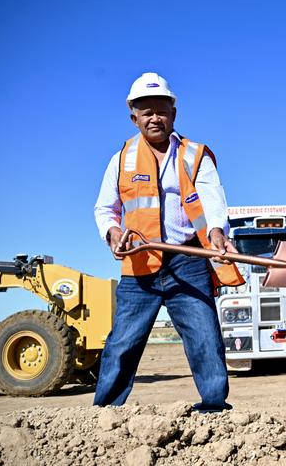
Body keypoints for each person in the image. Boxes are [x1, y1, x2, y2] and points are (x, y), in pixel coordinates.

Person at [93, 72, 243, 412]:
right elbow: (105, 209)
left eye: (161, 110)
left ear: (174, 114)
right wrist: (112, 232)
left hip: (187, 262)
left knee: (205, 340)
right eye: (146, 112)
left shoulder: (194, 155)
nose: (155, 118)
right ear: (134, 117)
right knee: (121, 345)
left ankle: (215, 409)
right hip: (139, 265)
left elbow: (213, 200)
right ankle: (105, 415)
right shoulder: (121, 160)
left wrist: (218, 230)